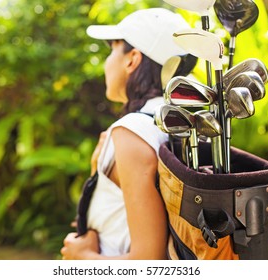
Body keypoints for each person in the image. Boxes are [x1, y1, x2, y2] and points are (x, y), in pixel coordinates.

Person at [60, 7, 190, 260]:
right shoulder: (180, 119)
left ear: (132, 59)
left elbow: (148, 262)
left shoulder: (133, 132)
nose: (107, 62)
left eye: (112, 50)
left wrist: (82, 257)